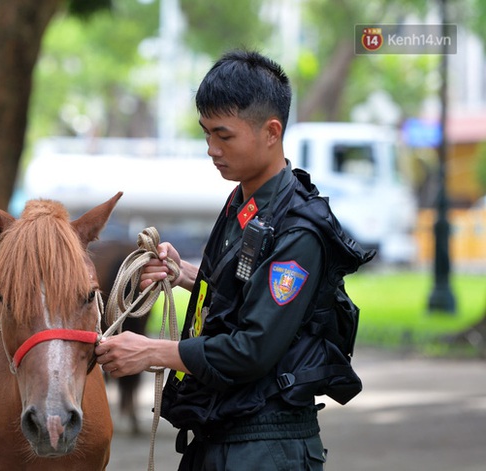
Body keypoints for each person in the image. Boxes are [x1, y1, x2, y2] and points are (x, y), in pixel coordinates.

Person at [95, 49, 329, 470]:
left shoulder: (299, 229)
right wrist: (183, 272)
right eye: (206, 135)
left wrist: (152, 351)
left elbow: (253, 348)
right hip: (219, 433)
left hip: (264, 444)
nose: (212, 150)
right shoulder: (244, 202)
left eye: (224, 136)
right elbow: (244, 291)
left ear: (271, 132)